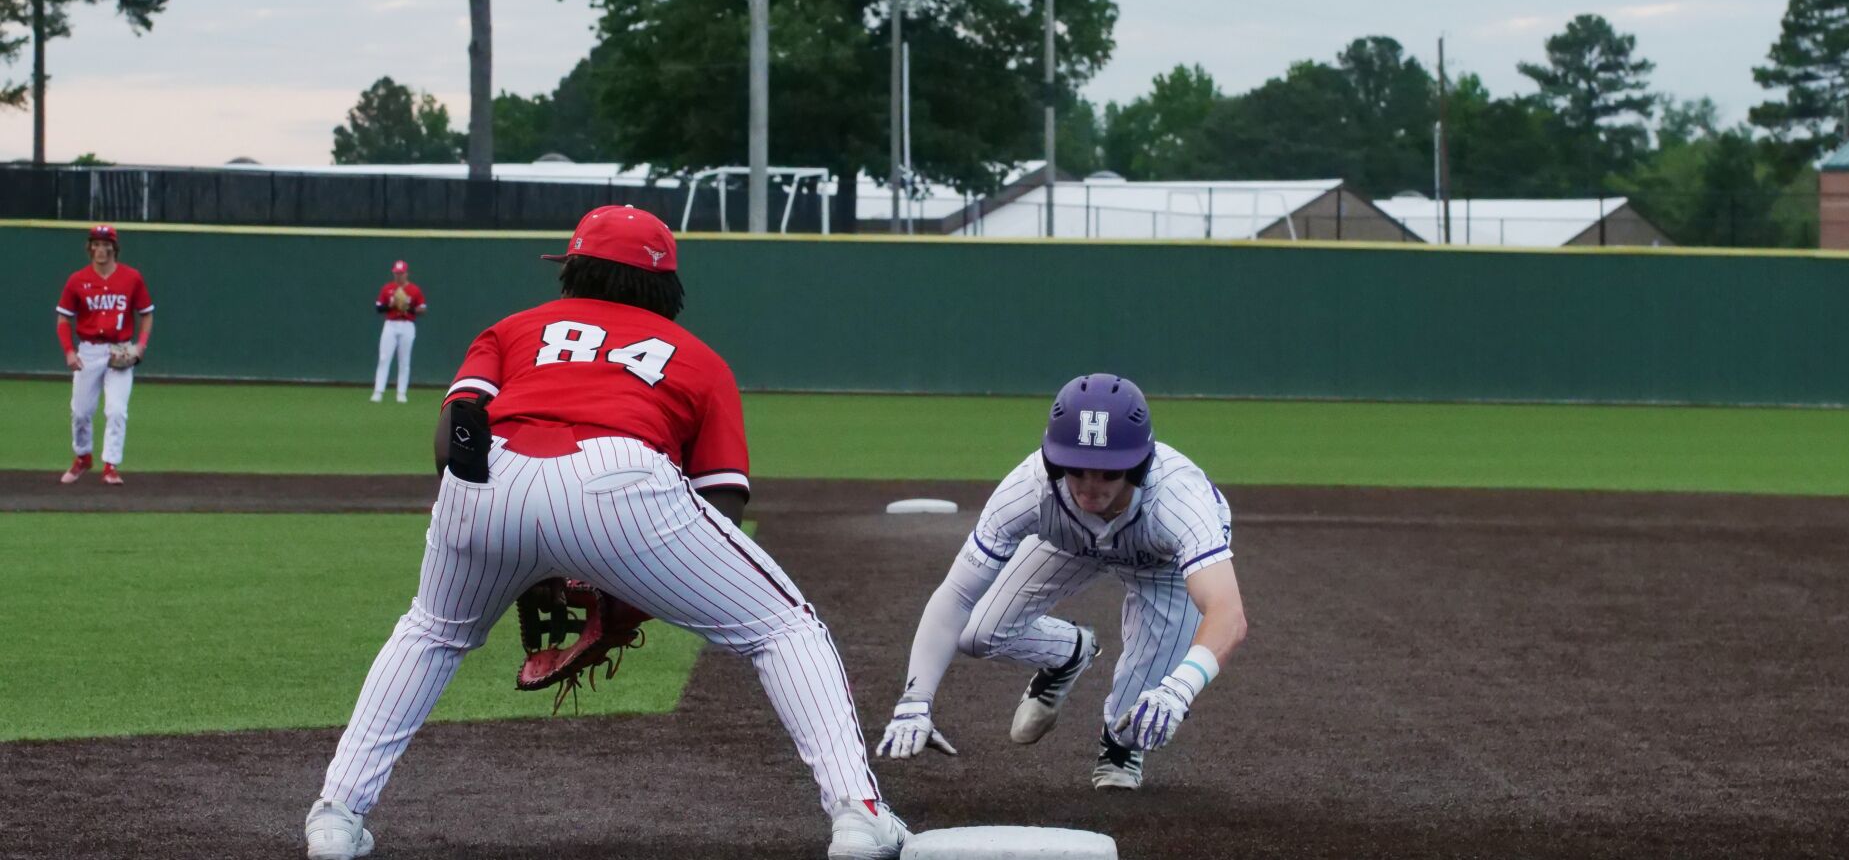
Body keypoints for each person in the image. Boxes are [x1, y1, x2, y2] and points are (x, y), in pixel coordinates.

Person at [305, 206, 910, 860]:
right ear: (666, 288)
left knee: (433, 631)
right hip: (619, 475)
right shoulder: (700, 359)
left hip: (485, 472)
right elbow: (721, 502)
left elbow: (456, 425)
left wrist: (512, 552)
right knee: (784, 626)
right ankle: (858, 814)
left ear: (573, 269)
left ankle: (336, 815)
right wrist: (622, 579)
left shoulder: (513, 327)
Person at [874, 373, 1247, 790]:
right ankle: (1068, 652)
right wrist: (915, 699)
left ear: (1138, 467)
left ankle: (1119, 746)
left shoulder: (1178, 500)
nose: (1091, 487)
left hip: (1160, 563)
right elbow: (957, 595)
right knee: (976, 633)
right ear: (1055, 460)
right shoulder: (1029, 487)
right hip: (1069, 540)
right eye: (1077, 469)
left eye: (1109, 473)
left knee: (1137, 721)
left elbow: (1227, 613)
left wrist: (1179, 688)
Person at [55, 224, 154, 487]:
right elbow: (63, 319)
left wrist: (141, 345)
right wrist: (68, 351)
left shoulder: (131, 278)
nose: (101, 248)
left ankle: (110, 465)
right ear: (89, 248)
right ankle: (83, 457)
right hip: (88, 350)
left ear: (114, 247)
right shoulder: (77, 280)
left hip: (120, 350)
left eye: (105, 243)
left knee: (117, 411)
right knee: (80, 412)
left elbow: (146, 314)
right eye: (95, 244)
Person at [370, 260, 425, 403]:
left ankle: (401, 393)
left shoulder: (414, 289)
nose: (398, 276)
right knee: (384, 358)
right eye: (396, 273)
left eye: (401, 273)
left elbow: (422, 308)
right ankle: (378, 391)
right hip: (391, 324)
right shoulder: (387, 288)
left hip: (407, 324)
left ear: (406, 273)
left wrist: (408, 307)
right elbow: (379, 308)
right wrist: (392, 304)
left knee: (404, 360)